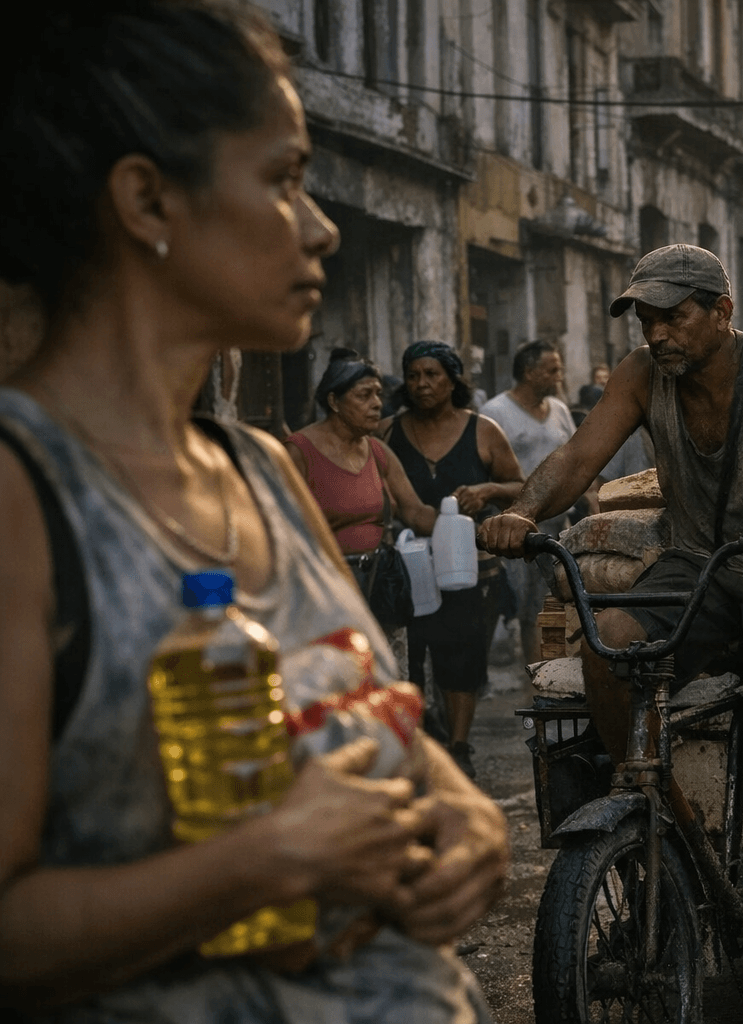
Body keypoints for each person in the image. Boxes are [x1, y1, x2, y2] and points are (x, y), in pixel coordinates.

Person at [0, 4, 506, 1019]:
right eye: (282, 180)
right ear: (147, 199)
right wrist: (261, 861)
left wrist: (473, 828)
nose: (320, 225)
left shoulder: (262, 473)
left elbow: (394, 740)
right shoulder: (23, 496)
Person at [480, 244, 743, 1011]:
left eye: (674, 317)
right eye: (647, 320)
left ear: (721, 312)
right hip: (702, 563)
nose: (658, 335)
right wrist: (524, 510)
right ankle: (661, 810)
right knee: (609, 644)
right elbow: (579, 456)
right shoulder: (641, 377)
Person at [382, 341, 525, 779]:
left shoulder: (482, 430)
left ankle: (459, 746)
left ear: (453, 379)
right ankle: (422, 743)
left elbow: (520, 484)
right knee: (412, 651)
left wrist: (488, 492)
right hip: (406, 564)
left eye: (432, 375)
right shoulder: (387, 432)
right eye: (413, 376)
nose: (422, 384)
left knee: (461, 651)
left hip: (468, 564)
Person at [285, 350, 439, 622]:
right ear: (334, 401)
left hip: (380, 586)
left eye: (378, 394)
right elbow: (280, 531)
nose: (377, 403)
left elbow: (414, 512)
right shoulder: (299, 453)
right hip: (326, 590)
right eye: (364, 395)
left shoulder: (378, 451)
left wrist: (460, 523)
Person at [480, 342, 595, 664]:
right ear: (529, 373)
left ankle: (547, 669)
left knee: (552, 602)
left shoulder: (558, 409)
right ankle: (526, 672)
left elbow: (576, 457)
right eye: (552, 369)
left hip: (558, 526)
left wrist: (591, 498)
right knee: (521, 605)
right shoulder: (495, 412)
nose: (559, 376)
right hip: (516, 527)